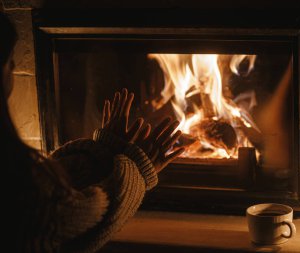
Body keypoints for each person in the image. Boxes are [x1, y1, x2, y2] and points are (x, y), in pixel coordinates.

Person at [1, 11, 184, 252]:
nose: (14, 66)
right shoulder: (26, 192)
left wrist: (103, 150)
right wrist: (138, 168)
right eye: (9, 61)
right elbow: (93, 215)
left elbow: (55, 191)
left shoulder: (22, 180)